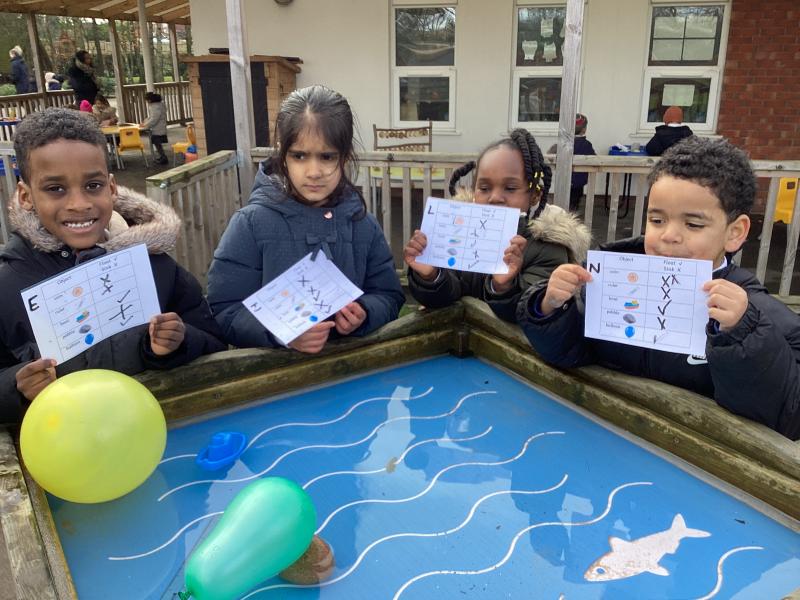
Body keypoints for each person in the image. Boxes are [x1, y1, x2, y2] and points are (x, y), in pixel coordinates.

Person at [517, 137, 800, 440]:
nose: (669, 236)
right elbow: (569, 353)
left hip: (696, 456)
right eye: (657, 219)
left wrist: (743, 334)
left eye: (693, 224)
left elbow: (788, 414)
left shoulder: (756, 313)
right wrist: (549, 307)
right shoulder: (609, 282)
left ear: (735, 233)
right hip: (608, 436)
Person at [0, 108, 227, 424]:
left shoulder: (155, 267)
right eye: (55, 189)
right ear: (26, 196)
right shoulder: (7, 284)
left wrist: (178, 342)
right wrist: (16, 388)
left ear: (112, 187)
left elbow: (214, 342)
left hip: (157, 432)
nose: (79, 204)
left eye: (93, 185)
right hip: (63, 445)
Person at [207, 85, 405, 354]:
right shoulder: (250, 224)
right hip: (274, 374)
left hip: (352, 368)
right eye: (299, 156)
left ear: (345, 156)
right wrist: (281, 332)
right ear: (283, 155)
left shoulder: (362, 224)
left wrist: (365, 313)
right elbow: (225, 310)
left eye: (327, 156)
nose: (314, 172)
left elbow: (389, 295)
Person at [404, 128, 590, 323]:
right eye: (484, 188)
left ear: (534, 196)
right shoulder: (455, 232)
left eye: (510, 188)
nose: (494, 197)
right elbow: (443, 297)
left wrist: (503, 287)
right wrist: (431, 276)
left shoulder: (548, 249)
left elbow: (530, 315)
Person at [570, 113, 596, 213]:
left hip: (566, 179)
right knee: (575, 200)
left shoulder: (564, 143)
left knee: (566, 200)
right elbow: (594, 159)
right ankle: (572, 213)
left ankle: (566, 214)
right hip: (579, 181)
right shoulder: (586, 145)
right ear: (584, 129)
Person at [140, 92, 168, 165]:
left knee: (157, 142)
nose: (146, 102)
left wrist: (146, 125)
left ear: (149, 100)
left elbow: (154, 119)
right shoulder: (160, 104)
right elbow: (152, 117)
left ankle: (163, 157)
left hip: (158, 128)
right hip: (160, 126)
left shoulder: (155, 106)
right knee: (157, 143)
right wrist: (146, 122)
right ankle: (162, 157)